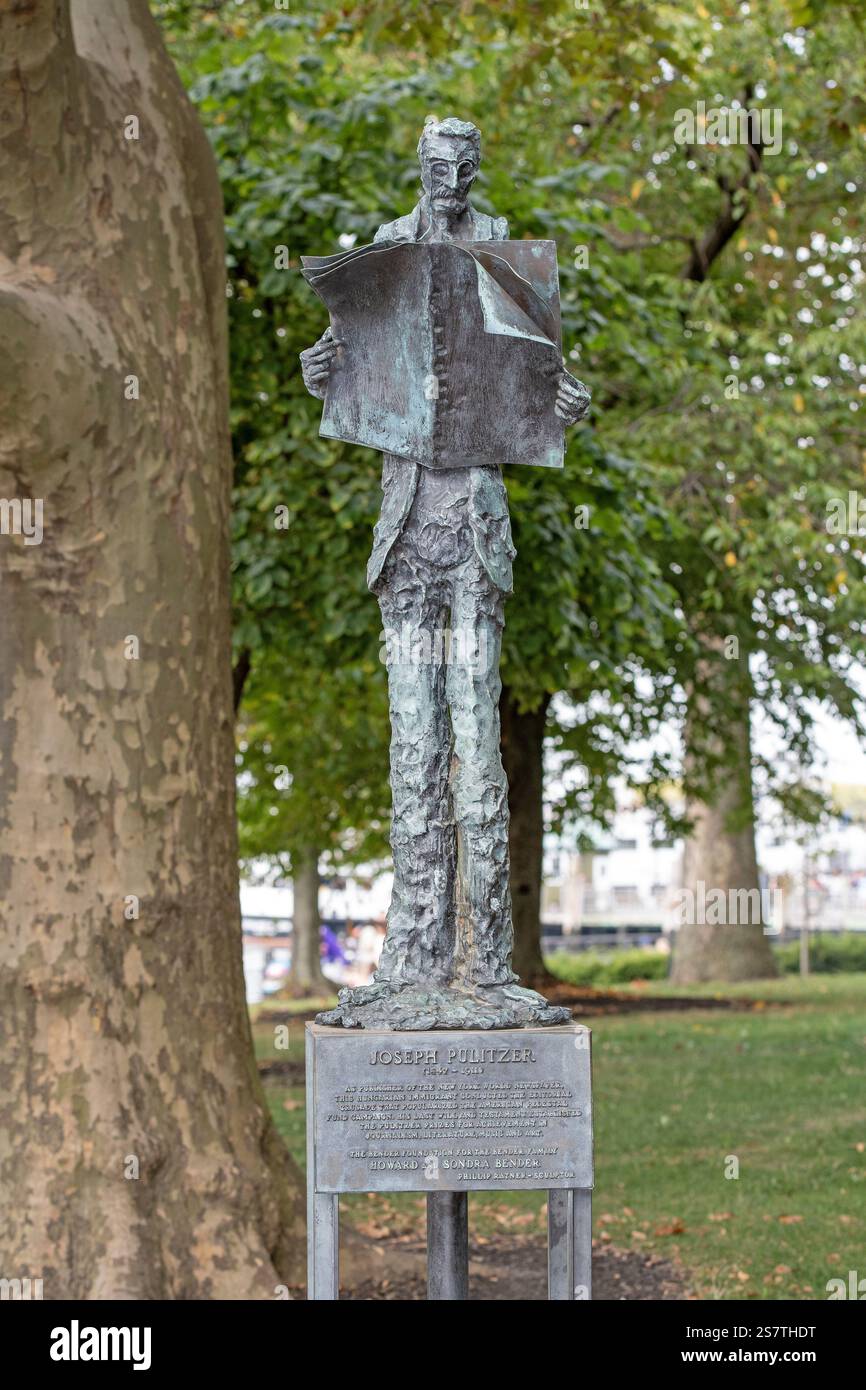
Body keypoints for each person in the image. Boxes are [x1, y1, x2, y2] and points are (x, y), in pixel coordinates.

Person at [301, 118, 589, 1028]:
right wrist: (324, 374)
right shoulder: (385, 254)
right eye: (437, 168)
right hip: (407, 546)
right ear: (419, 170)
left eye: (464, 168)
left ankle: (487, 965)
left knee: (476, 757)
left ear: (478, 170)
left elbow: (534, 387)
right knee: (413, 755)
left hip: (473, 540)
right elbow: (355, 376)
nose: (451, 181)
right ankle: (414, 964)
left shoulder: (508, 264)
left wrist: (562, 404)